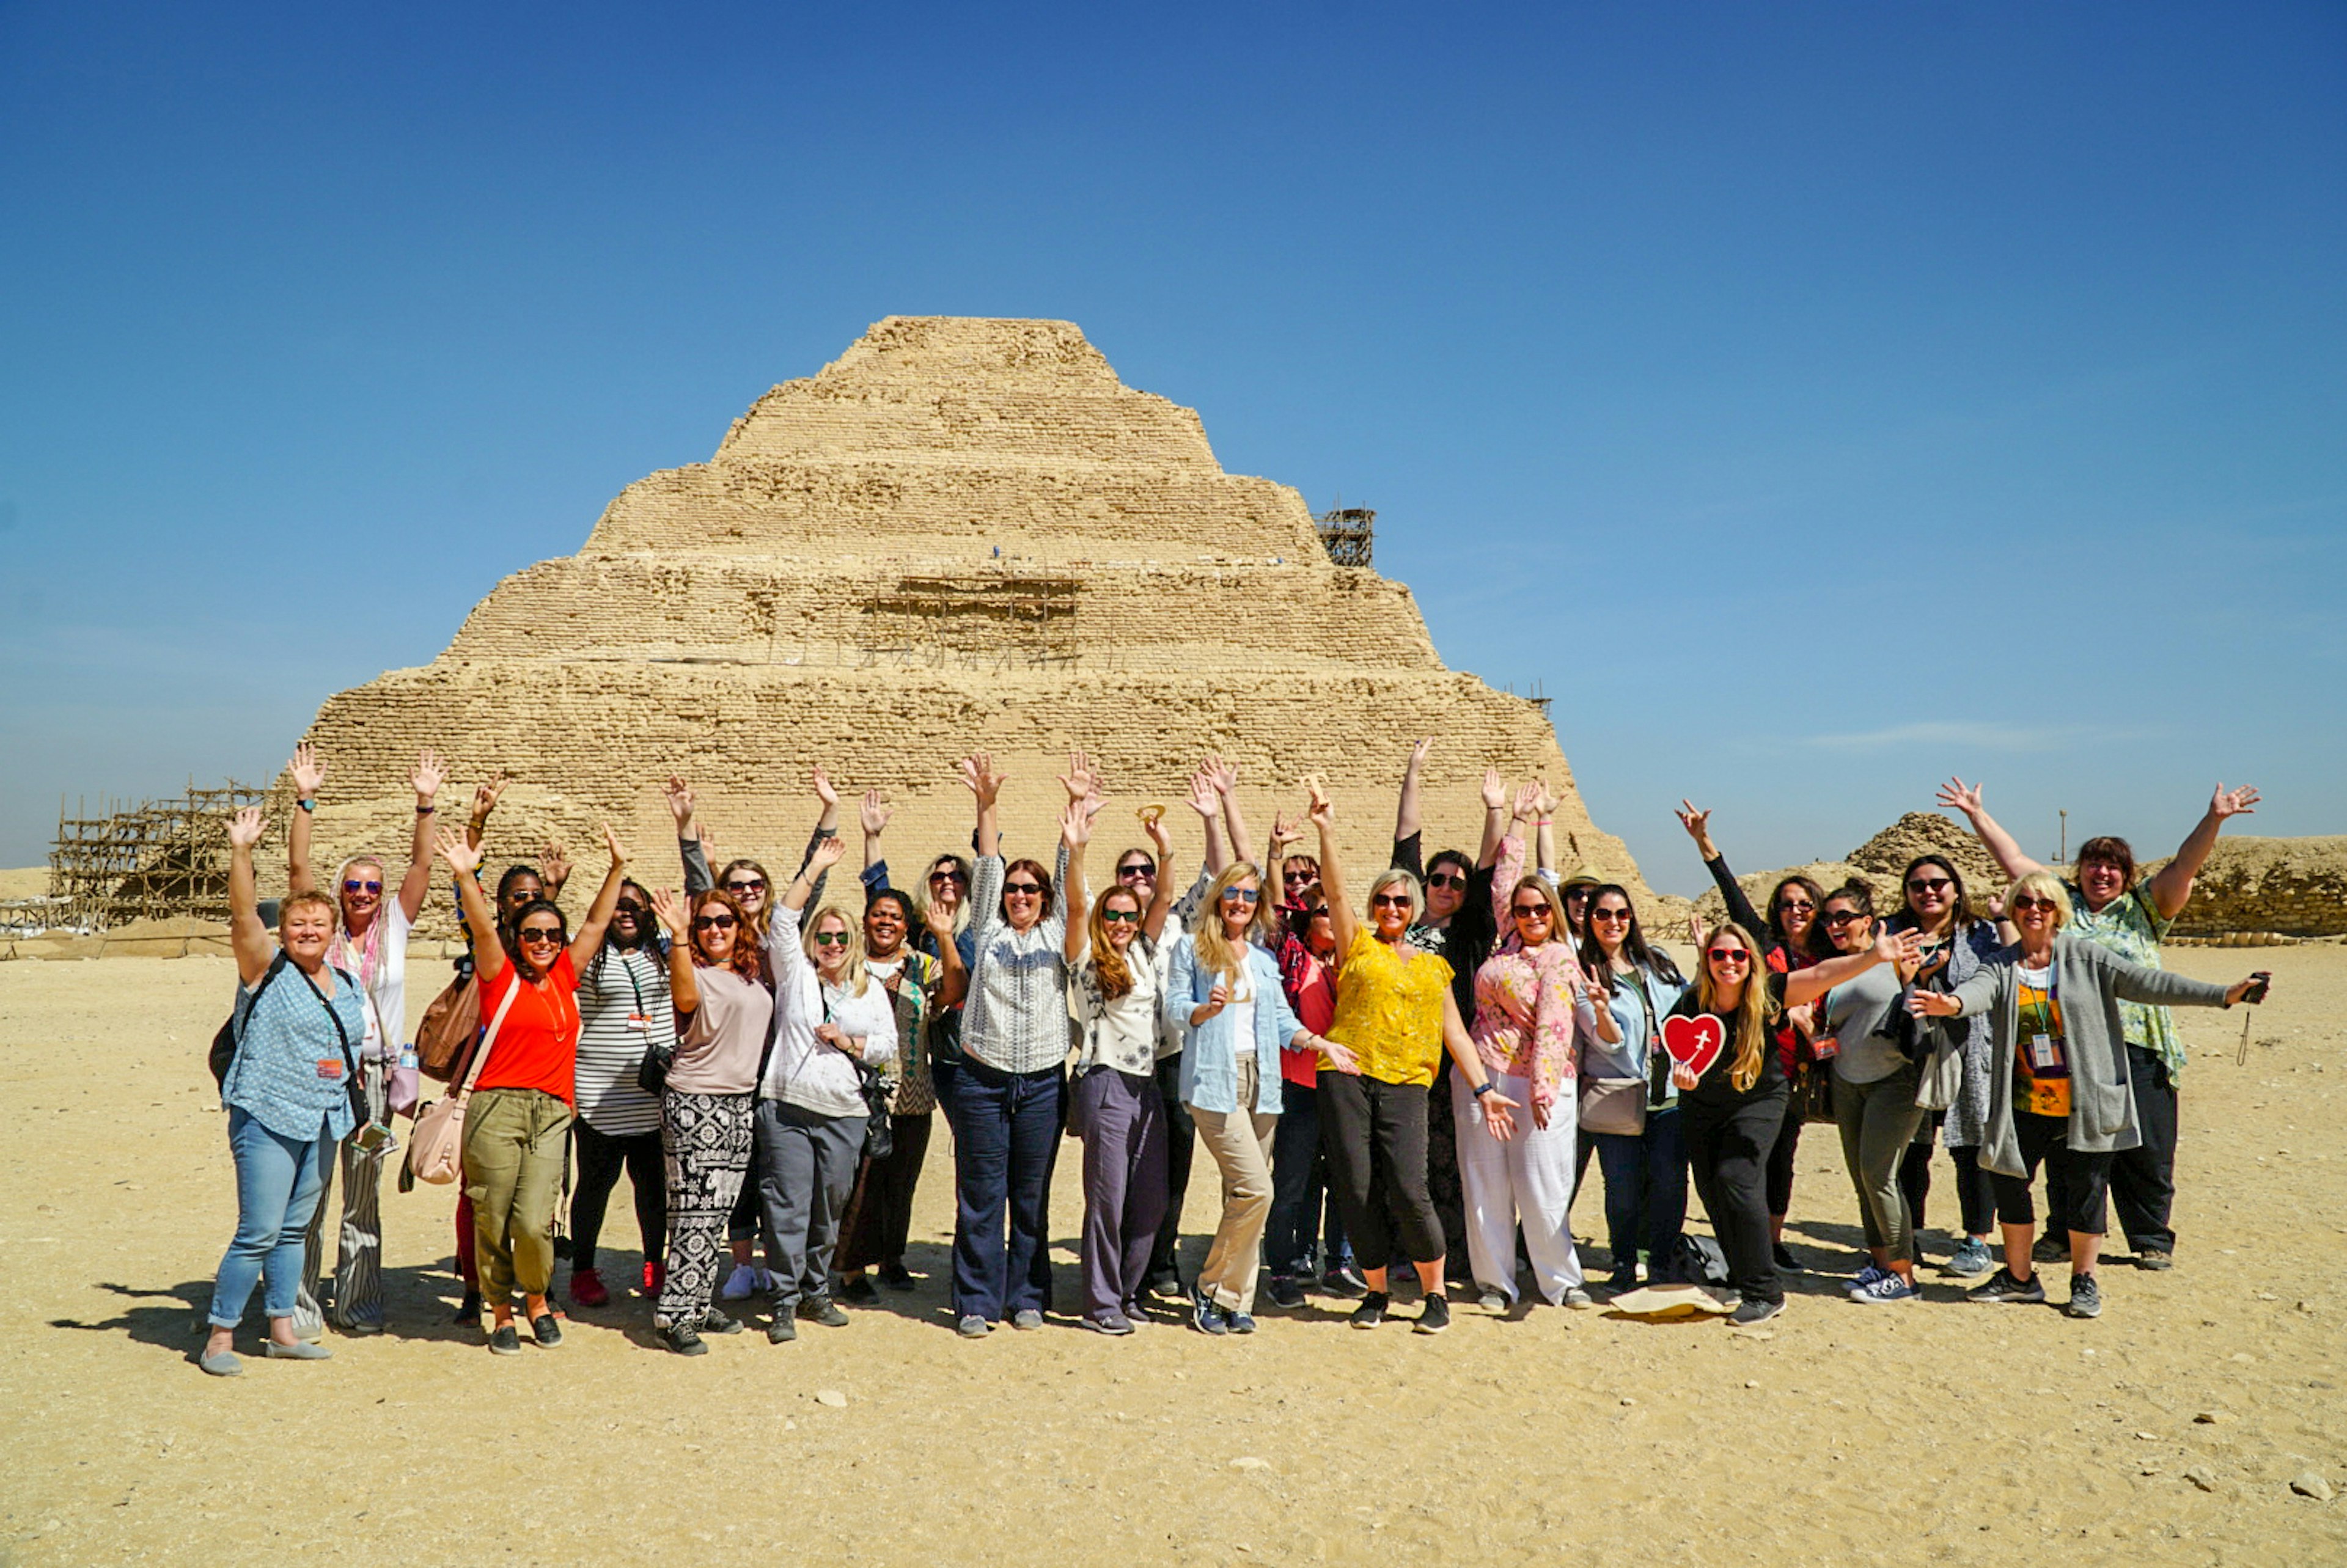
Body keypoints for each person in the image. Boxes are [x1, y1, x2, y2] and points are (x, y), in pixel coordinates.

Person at [1909, 871, 2268, 1319]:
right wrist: (1953, 1005)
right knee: (2010, 1186)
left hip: (2084, 1102)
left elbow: (2150, 984)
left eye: (2043, 903)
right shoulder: (2000, 964)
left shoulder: (2087, 958)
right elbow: (1976, 993)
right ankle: (2020, 1278)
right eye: (2024, 903)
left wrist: (2224, 995)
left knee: (2085, 1192)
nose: (2033, 910)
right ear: (2014, 911)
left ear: (2058, 911)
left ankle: (2084, 1279)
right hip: (2022, 1103)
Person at [1939, 779, 2260, 1272]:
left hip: (2140, 1044)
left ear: (2126, 875)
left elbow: (2184, 866)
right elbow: (2016, 862)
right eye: (2094, 863)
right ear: (2080, 872)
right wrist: (1976, 813)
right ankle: (2063, 1234)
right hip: (2076, 1049)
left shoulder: (2147, 909)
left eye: (2113, 865)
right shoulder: (2056, 908)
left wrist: (2214, 818)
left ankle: (2151, 1237)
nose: (2102, 872)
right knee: (2070, 1148)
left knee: (2148, 1148)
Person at [1308, 785, 1519, 1335]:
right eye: (1384, 901)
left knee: (1408, 1187)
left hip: (1406, 1084)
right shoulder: (1357, 945)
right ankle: (1375, 1292)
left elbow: (1454, 1032)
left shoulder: (1432, 965)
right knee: (1356, 1188)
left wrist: (1483, 1089)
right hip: (1348, 1078)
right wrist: (1327, 832)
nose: (1393, 909)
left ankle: (1434, 1292)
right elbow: (1333, 890)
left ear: (1413, 908)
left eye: (1402, 902)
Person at [1667, 917, 1920, 1325]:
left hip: (1759, 1101)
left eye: (1738, 955)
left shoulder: (1769, 995)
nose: (1728, 962)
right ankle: (1739, 1273)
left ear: (1751, 960)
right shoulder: (1690, 1003)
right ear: (1706, 958)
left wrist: (1873, 956)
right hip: (1703, 1107)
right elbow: (1673, 1051)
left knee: (1738, 1178)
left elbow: (1821, 974)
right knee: (1712, 1189)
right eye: (1719, 955)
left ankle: (1765, 1291)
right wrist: (1681, 1072)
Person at [438, 822, 630, 1354]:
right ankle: (502, 1311)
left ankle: (538, 1297)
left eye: (551, 934)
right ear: (516, 939)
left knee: (534, 1218)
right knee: (494, 1216)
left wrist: (617, 868)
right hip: (495, 1109)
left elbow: (595, 921)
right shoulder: (498, 972)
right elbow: (480, 928)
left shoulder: (567, 973)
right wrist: (465, 876)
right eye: (533, 934)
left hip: (551, 1112)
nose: (544, 942)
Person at [198, 806, 369, 1376]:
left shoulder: (345, 982)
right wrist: (241, 851)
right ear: (284, 931)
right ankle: (220, 1335)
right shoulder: (265, 970)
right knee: (258, 1231)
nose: (308, 932)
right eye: (298, 924)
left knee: (296, 1228)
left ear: (333, 930)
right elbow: (243, 913)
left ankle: (282, 1328)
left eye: (319, 924)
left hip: (324, 1118)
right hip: (267, 1115)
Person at [282, 743, 444, 1336]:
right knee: (312, 1194)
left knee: (363, 1197)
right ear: (339, 887)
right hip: (324, 1073)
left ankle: (359, 1303)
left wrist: (425, 803)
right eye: (354, 884)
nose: (363, 894)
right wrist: (305, 799)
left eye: (372, 886)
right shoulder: (320, 928)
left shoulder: (394, 926)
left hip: (375, 1077)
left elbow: (422, 868)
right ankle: (299, 1308)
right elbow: (298, 871)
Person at [664, 771, 835, 1302]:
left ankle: (784, 1268)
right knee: (731, 1177)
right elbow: (698, 886)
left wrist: (829, 812)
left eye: (754, 886)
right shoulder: (718, 934)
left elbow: (817, 876)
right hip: (722, 1069)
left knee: (775, 1171)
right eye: (736, 887)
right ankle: (741, 1264)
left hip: (778, 1065)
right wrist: (686, 827)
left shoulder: (782, 936)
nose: (746, 894)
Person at [947, 752, 1085, 1337]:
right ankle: (977, 1300)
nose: (1021, 895)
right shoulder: (989, 928)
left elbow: (1075, 892)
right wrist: (986, 803)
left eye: (1031, 889)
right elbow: (985, 864)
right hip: (982, 1077)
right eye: (1015, 888)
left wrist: (1075, 825)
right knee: (981, 1192)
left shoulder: (1057, 931)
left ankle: (1027, 1294)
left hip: (1042, 1082)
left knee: (1031, 1194)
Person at [1165, 857, 1328, 1336]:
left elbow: (1282, 1022)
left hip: (1264, 1082)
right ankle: (1212, 1288)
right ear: (1219, 898)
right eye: (1232, 893)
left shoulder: (1262, 960)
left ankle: (1237, 1301)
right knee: (1259, 1189)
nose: (1240, 902)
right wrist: (1202, 1009)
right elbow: (1174, 1007)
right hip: (1216, 1082)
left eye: (1249, 895)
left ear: (1258, 906)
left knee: (1241, 1195)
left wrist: (1321, 1045)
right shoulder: (1193, 949)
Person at [1457, 786, 1602, 1313]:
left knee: (1543, 1186)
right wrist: (1515, 821)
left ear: (1553, 911)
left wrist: (1541, 1089)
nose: (1531, 914)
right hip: (1482, 1077)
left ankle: (1562, 1281)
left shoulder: (1560, 956)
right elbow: (1501, 883)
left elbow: (1555, 1026)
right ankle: (1496, 1282)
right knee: (1486, 1184)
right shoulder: (1507, 942)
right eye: (1524, 908)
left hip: (1539, 1084)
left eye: (1541, 907)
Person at [753, 835, 898, 1343]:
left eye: (841, 938)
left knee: (828, 1209)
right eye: (825, 937)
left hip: (844, 1115)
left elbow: (887, 1045)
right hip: (789, 1108)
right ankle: (785, 1301)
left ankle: (818, 1290)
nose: (833, 946)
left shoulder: (869, 989)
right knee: (787, 1205)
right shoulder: (793, 974)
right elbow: (782, 921)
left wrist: (850, 1039)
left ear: (852, 943)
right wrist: (814, 867)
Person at [1675, 802, 1827, 1273]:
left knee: (1783, 1161)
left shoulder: (1829, 949)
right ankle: (1761, 1246)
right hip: (1765, 1070)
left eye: (1805, 905)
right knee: (1750, 1164)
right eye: (1787, 904)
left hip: (1819, 1068)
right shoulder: (1763, 946)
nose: (1796, 911)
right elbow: (1731, 893)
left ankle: (1770, 1241)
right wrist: (1704, 843)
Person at [842, 790, 972, 1297]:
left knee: (901, 1183)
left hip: (915, 1093)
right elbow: (877, 885)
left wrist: (941, 938)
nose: (886, 923)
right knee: (864, 1183)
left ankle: (891, 1258)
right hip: (863, 1091)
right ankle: (851, 1267)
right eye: (879, 916)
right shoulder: (848, 964)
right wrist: (871, 836)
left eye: (895, 918)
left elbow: (954, 989)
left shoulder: (921, 963)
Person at [1387, 740, 1508, 1280]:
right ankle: (1405, 1252)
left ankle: (1451, 1257)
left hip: (1454, 1058)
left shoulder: (1471, 931)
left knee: (1451, 1158)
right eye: (1436, 880)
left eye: (1454, 884)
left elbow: (1488, 870)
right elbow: (1405, 845)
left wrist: (1494, 811)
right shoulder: (1404, 923)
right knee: (1405, 1159)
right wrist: (1412, 773)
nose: (1444, 888)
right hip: (1402, 1053)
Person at [1063, 803, 1177, 1333]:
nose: (1124, 923)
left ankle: (1129, 1292)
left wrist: (1165, 849)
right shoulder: (1088, 953)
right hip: (1105, 1081)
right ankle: (1101, 1303)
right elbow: (1073, 903)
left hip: (1146, 1085)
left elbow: (1168, 897)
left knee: (1149, 1199)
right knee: (1107, 1200)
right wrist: (1078, 848)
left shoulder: (1144, 952)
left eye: (1131, 915)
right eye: (1114, 915)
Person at [644, 885, 770, 1354]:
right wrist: (678, 935)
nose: (714, 929)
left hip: (738, 1104)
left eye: (724, 921)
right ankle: (673, 1315)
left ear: (740, 928)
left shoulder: (748, 976)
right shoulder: (691, 968)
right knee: (693, 1212)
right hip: (697, 1103)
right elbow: (684, 999)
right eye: (705, 922)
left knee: (716, 1211)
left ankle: (696, 1301)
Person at [1886, 853, 2008, 1278]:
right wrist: (1911, 977)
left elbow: (2015, 969)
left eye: (1938, 883)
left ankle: (1977, 1242)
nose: (1929, 891)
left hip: (1970, 1052)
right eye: (1918, 885)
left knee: (1971, 1148)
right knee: (1910, 1148)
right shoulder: (1890, 934)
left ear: (1957, 889)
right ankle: (1907, 1237)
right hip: (1910, 1053)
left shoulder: (1981, 935)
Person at [1811, 882, 1930, 1303]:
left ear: (1869, 921)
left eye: (1844, 917)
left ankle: (1904, 1275)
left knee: (1880, 1177)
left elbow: (1917, 999)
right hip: (1847, 1081)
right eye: (1829, 919)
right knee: (1864, 1179)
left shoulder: (1896, 958)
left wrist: (1908, 971)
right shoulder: (1835, 968)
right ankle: (1881, 1264)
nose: (1835, 925)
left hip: (1893, 1081)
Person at [1262, 810, 1358, 1306]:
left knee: (1343, 1179)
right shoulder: (1293, 955)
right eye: (1318, 912)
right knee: (1293, 1182)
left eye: (1331, 911)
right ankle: (1283, 1266)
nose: (1328, 919)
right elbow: (1276, 913)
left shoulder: (1355, 962)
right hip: (1299, 1084)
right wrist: (1276, 853)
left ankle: (1338, 1261)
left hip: (1344, 1084)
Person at [561, 876, 670, 1310]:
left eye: (636, 906)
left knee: (653, 1189)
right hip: (600, 1096)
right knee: (595, 1187)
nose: (627, 912)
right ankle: (583, 1270)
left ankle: (654, 1264)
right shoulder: (592, 956)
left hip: (652, 1097)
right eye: (618, 906)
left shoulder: (663, 952)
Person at [1575, 884, 1688, 1294]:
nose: (1613, 922)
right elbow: (1610, 1041)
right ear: (1590, 920)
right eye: (1603, 914)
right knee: (1621, 1188)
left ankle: (1659, 1261)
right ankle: (1624, 1262)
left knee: (1670, 1182)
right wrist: (1603, 1010)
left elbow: (1690, 1011)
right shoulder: (1584, 972)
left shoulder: (1657, 962)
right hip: (1618, 1095)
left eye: (1621, 914)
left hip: (1668, 1094)